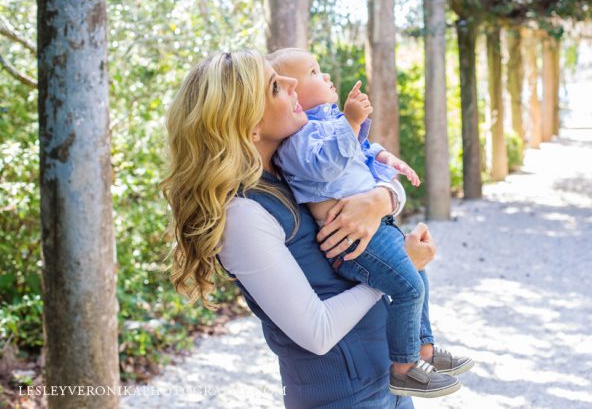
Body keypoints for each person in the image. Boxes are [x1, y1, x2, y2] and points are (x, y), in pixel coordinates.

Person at [161, 50, 447, 408]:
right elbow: (317, 331)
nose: (294, 83)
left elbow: (367, 176)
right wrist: (403, 266)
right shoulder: (243, 215)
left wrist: (383, 199)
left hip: (388, 380)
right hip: (342, 398)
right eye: (276, 87)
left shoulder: (298, 168)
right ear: (249, 126)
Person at [268, 48, 473, 398]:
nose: (327, 76)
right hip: (353, 243)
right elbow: (326, 165)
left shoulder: (329, 125)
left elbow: (360, 153)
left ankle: (423, 348)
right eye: (316, 72)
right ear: (295, 96)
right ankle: (404, 368)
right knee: (409, 287)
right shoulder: (297, 140)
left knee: (418, 273)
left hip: (377, 228)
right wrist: (349, 123)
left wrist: (385, 161)